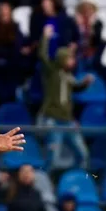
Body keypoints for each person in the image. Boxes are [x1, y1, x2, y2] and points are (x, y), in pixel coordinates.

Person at [38, 24, 92, 168]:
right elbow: (43, 56)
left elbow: (76, 87)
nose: (72, 62)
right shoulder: (52, 72)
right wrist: (45, 38)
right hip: (54, 120)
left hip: (68, 120)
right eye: (69, 59)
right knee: (53, 158)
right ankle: (48, 182)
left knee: (83, 154)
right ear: (62, 59)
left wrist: (85, 83)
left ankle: (78, 178)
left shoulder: (68, 76)